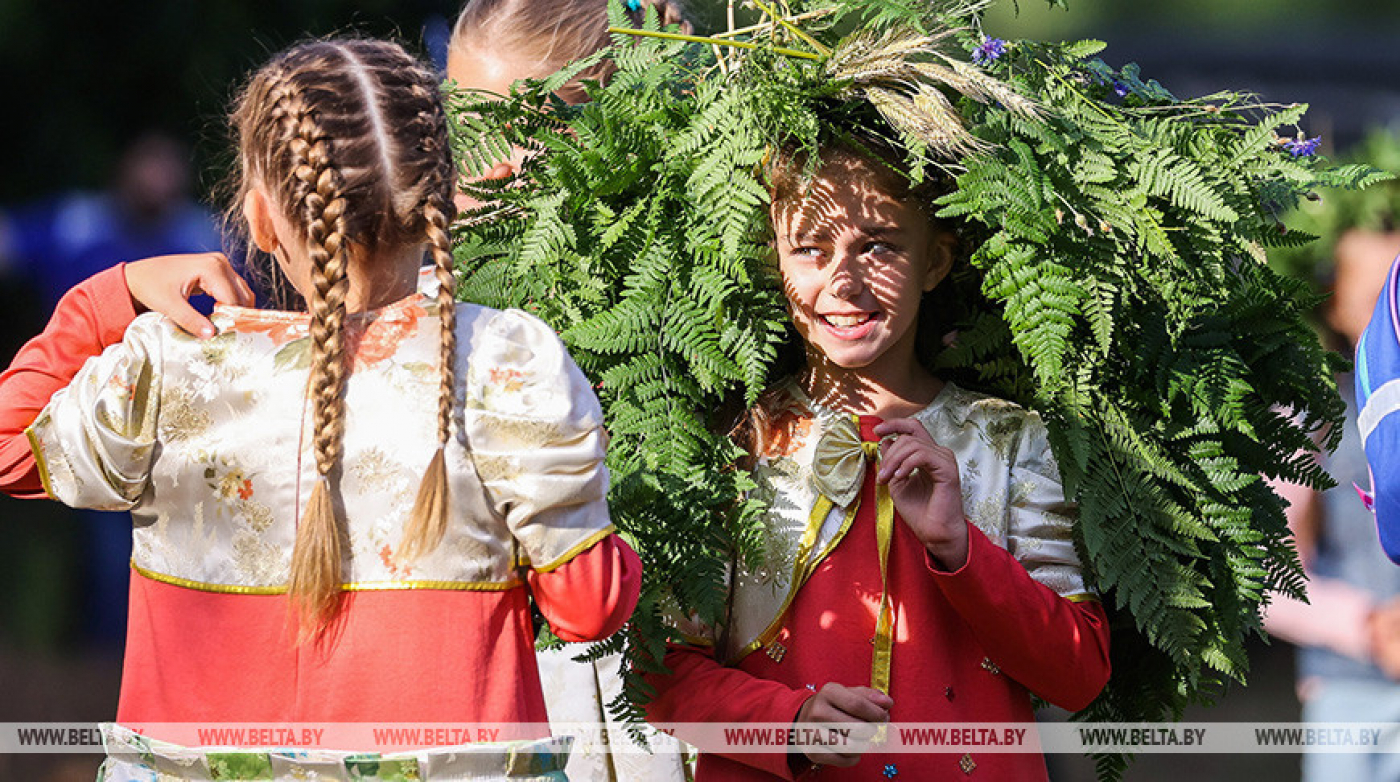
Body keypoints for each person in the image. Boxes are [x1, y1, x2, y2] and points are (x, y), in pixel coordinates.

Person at [0, 38, 639, 780]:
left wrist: (110, 292)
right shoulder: (503, 360)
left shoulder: (172, 362)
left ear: (261, 218)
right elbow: (587, 609)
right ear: (437, 195)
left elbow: (10, 443)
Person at [642, 141, 1112, 780]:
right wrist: (789, 724)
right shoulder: (731, 440)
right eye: (809, 248)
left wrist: (959, 549)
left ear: (936, 260)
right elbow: (660, 670)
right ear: (772, 259)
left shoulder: (1009, 440)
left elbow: (1078, 675)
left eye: (879, 245)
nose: (842, 280)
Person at [1271, 226, 1400, 782]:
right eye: (1369, 296)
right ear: (1337, 304)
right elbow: (1269, 574)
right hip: (1349, 685)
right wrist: (1366, 625)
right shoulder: (1309, 415)